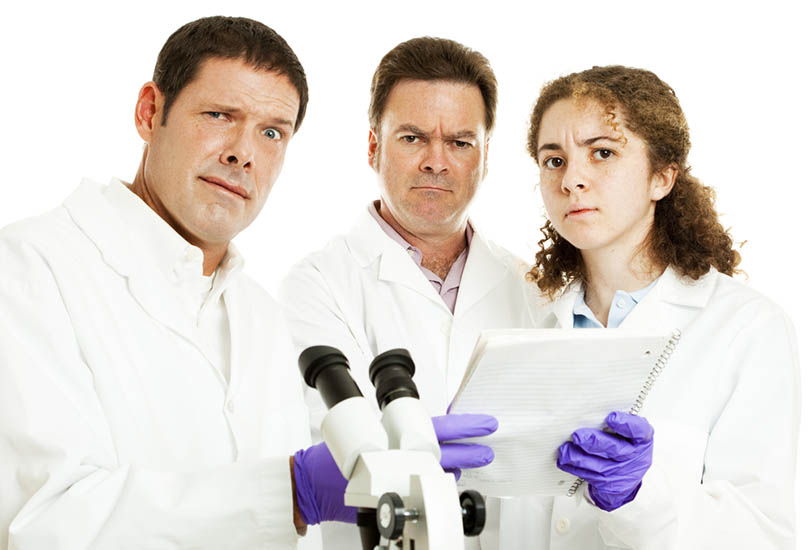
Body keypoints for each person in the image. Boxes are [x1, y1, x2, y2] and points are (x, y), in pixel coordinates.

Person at [0, 16, 351, 549]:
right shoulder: (29, 267)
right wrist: (290, 493)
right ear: (150, 112)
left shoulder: (261, 315)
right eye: (219, 115)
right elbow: (45, 522)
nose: (243, 152)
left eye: (272, 131)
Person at [486, 65, 799, 549]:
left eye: (603, 153)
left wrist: (638, 496)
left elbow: (762, 533)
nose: (572, 180)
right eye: (554, 160)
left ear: (662, 176)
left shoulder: (746, 328)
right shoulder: (525, 319)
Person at [279, 37, 532, 548]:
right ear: (373, 145)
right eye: (413, 138)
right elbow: (331, 443)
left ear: (485, 158)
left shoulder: (532, 286)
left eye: (461, 142)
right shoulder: (316, 285)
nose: (436, 161)